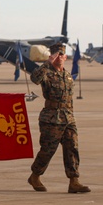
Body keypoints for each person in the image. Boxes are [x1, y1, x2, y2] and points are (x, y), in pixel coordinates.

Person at [28, 42, 90, 193]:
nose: (59, 57)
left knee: (72, 148)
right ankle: (35, 175)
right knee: (48, 149)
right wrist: (46, 63)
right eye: (56, 54)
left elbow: (69, 98)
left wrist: (71, 114)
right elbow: (35, 79)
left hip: (68, 117)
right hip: (51, 117)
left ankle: (74, 180)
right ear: (51, 56)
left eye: (61, 55)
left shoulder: (67, 76)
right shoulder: (46, 72)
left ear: (65, 57)